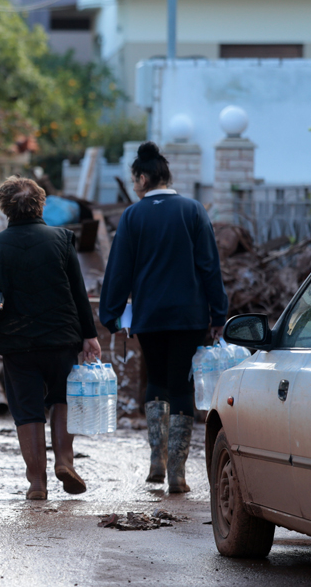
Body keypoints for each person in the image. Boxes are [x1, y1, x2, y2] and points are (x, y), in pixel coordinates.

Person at [99, 142, 227, 494]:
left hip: (149, 315)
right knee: (181, 384)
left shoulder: (133, 215)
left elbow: (119, 269)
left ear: (142, 177)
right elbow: (208, 265)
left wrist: (110, 314)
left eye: (135, 179)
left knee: (155, 378)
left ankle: (157, 457)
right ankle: (177, 472)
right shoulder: (193, 210)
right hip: (190, 315)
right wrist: (219, 312)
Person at [0, 176, 101, 500]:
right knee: (61, 398)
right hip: (61, 338)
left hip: (16, 342)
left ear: (4, 207)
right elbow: (78, 293)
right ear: (41, 204)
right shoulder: (61, 238)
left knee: (27, 410)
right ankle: (64, 461)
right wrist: (90, 335)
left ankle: (36, 484)